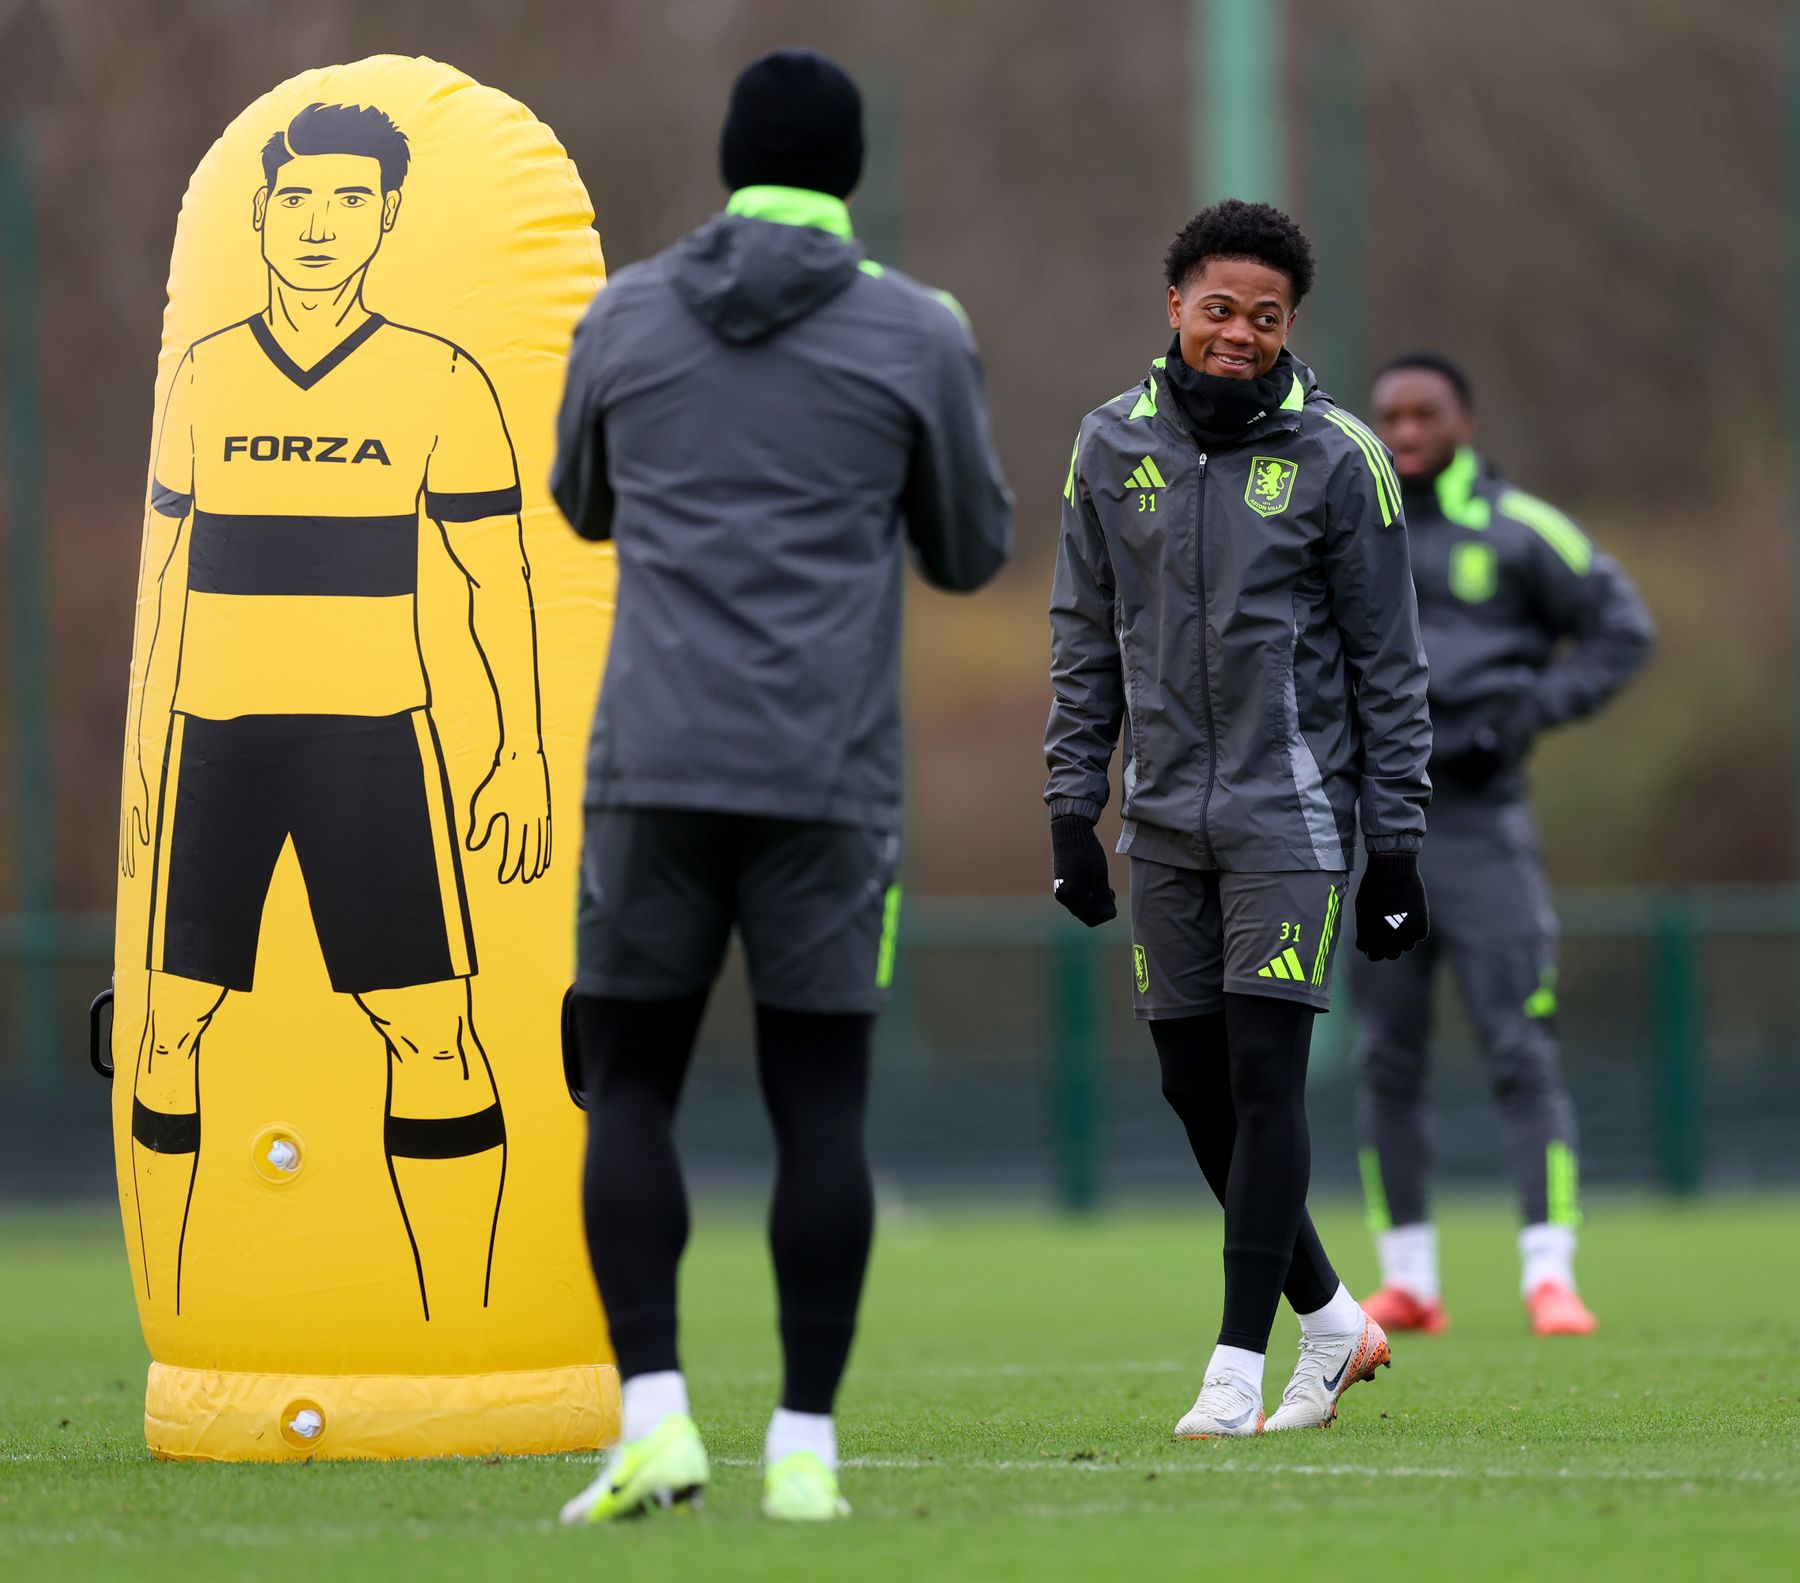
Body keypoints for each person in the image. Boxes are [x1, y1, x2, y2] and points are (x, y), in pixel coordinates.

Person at [550, 49, 1011, 1522]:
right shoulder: (914, 328)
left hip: (654, 767)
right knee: (822, 1105)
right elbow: (967, 549)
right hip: (828, 780)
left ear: (727, 157)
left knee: (628, 1083)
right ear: (852, 172)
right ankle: (804, 1444)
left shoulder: (622, 310)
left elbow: (580, 500)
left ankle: (657, 1421)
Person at [121, 102, 548, 1324]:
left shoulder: (437, 376)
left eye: (351, 201)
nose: (321, 224)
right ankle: (186, 1311)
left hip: (374, 744)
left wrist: (517, 750)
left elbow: (495, 578)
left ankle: (456, 1325)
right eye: (300, 198)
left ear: (387, 219)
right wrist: (147, 749)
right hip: (215, 742)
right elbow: (157, 574)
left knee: (435, 1035)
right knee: (164, 1027)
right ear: (260, 212)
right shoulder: (206, 370)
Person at [1046, 199, 1432, 1437]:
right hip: (1161, 824)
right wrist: (1070, 803)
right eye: (1219, 308)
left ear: (1289, 328)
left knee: (1267, 1079)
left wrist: (1398, 840)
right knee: (1190, 1083)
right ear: (1174, 307)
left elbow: (1389, 661)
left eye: (1266, 317)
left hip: (1293, 819)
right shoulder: (1107, 446)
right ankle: (1333, 1318)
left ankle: (1235, 1361)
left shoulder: (1338, 456)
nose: (1239, 333)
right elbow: (1079, 640)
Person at [1355, 352, 1652, 1337]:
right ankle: (1409, 1278)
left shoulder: (1525, 529)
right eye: (1388, 412)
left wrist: (1526, 714)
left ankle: (1549, 1274)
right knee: (1384, 1057)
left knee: (1520, 1050)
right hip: (1377, 832)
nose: (1401, 429)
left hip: (1485, 832)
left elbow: (1623, 628)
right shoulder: (1350, 521)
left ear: (1463, 422)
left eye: (1422, 412)